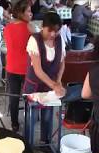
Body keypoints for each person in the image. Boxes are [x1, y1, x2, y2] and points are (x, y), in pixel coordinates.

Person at [24, 12, 66, 144]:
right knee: (32, 117)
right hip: (34, 85)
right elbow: (38, 70)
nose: (53, 34)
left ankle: (45, 143)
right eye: (50, 30)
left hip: (49, 85)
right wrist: (55, 85)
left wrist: (58, 81)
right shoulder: (34, 40)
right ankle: (28, 145)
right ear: (43, 26)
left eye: (56, 31)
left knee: (47, 117)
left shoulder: (60, 40)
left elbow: (61, 63)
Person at [4, 0, 34, 132]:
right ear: (21, 13)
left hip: (11, 67)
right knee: (29, 95)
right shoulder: (30, 28)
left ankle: (14, 124)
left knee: (14, 96)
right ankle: (30, 119)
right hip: (26, 68)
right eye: (28, 11)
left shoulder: (7, 28)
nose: (31, 14)